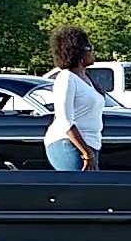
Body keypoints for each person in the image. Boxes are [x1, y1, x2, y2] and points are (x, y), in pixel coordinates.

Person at [43, 26, 103, 171]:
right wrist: (86, 153)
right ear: (78, 53)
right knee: (80, 191)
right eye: (89, 48)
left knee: (93, 192)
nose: (92, 52)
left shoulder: (86, 79)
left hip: (91, 145)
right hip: (68, 144)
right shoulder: (66, 78)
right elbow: (65, 120)